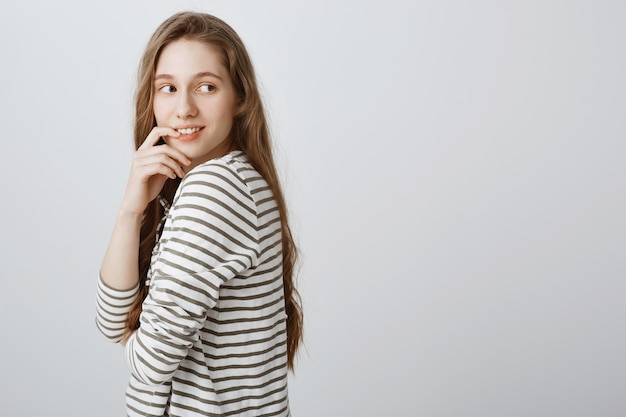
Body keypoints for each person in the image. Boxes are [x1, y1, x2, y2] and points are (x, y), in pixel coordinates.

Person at [95, 11, 303, 417]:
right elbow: (110, 320)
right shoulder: (227, 181)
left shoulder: (215, 190)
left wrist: (138, 334)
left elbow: (149, 362)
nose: (184, 108)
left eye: (205, 87)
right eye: (168, 88)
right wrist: (131, 209)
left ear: (239, 97)